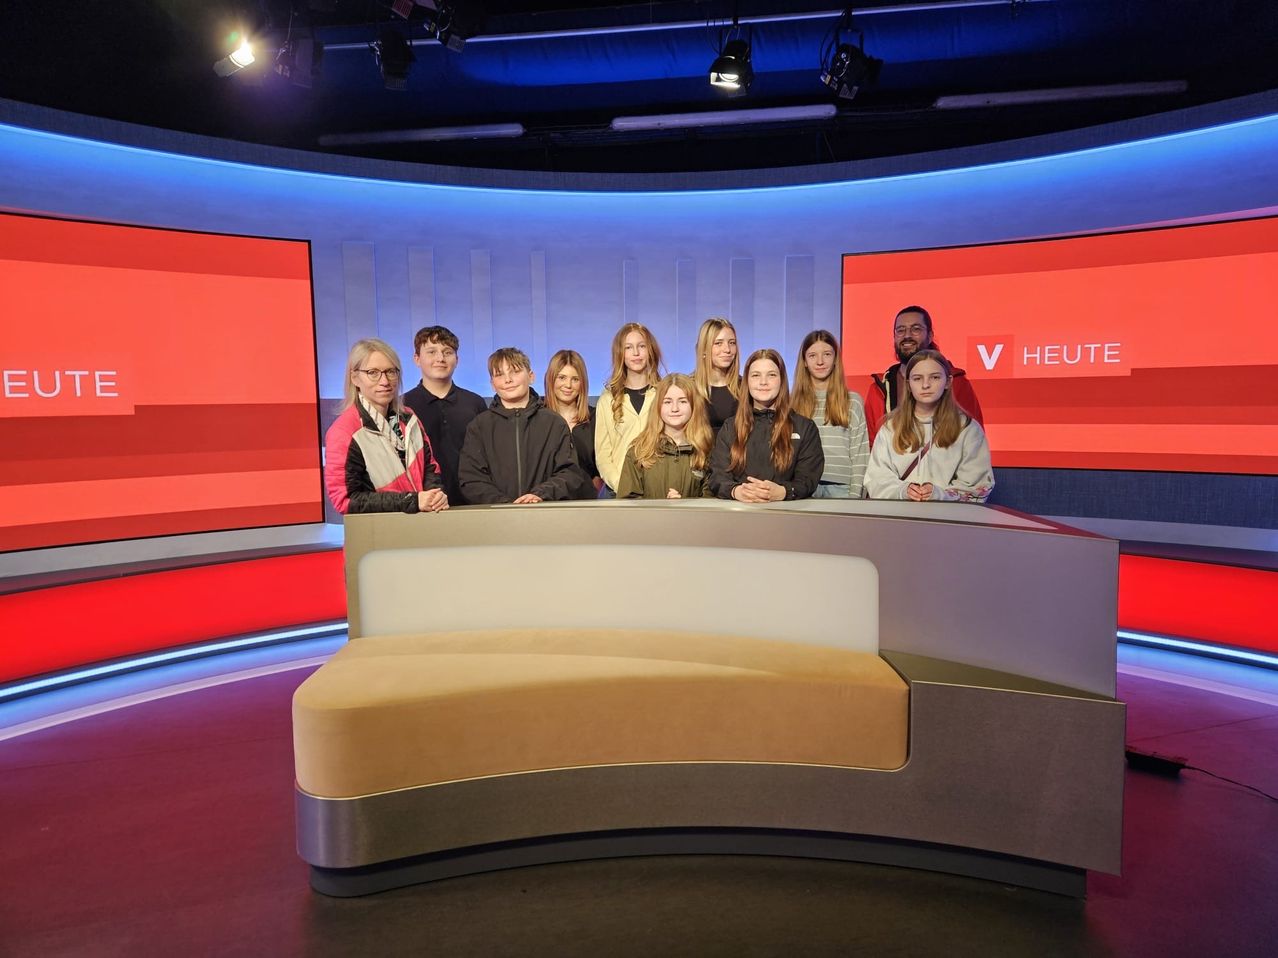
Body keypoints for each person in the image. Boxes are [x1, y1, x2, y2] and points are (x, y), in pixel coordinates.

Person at [324, 338, 448, 515]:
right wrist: (411, 501)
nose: (385, 381)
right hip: (379, 530)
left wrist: (435, 496)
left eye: (390, 372)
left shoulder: (409, 417)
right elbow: (345, 500)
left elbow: (430, 467)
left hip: (422, 526)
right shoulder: (344, 432)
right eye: (373, 373)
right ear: (355, 378)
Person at [458, 347, 586, 504]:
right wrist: (504, 504)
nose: (508, 380)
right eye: (499, 374)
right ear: (492, 384)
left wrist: (540, 495)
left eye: (515, 372)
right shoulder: (479, 426)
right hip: (495, 515)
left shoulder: (554, 423)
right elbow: (471, 478)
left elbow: (570, 473)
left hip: (545, 512)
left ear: (531, 376)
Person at [864, 349, 994, 502]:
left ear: (948, 382)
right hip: (900, 515)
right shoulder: (890, 428)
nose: (926, 385)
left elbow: (976, 486)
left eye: (935, 377)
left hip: (948, 516)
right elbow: (877, 478)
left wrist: (939, 495)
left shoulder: (968, 429)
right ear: (908, 384)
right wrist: (903, 491)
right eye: (917, 378)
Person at [709, 349, 824, 502]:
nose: (763, 382)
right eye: (756, 375)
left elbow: (808, 478)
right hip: (740, 511)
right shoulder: (730, 427)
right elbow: (717, 476)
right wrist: (737, 491)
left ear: (782, 380)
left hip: (787, 512)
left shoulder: (805, 427)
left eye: (771, 375)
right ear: (747, 382)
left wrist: (783, 492)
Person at [863, 306, 984, 444]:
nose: (907, 335)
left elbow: (973, 440)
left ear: (930, 336)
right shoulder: (878, 389)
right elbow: (871, 444)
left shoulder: (957, 383)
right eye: (901, 330)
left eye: (916, 329)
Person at [400, 326, 487, 505]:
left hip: (473, 502)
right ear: (417, 359)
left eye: (447, 352)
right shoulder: (402, 406)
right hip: (423, 503)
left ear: (457, 359)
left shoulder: (475, 403)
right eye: (431, 352)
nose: (440, 358)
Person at [791, 329, 870, 499]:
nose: (820, 361)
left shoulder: (852, 401)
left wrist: (855, 496)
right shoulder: (792, 404)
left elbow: (860, 455)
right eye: (812, 355)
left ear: (835, 359)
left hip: (842, 490)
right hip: (803, 488)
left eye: (827, 354)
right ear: (804, 361)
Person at [617, 373, 715, 499]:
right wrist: (662, 508)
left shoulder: (705, 451)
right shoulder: (639, 451)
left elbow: (710, 502)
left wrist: (686, 505)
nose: (675, 408)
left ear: (694, 406)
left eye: (682, 401)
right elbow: (627, 503)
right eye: (667, 402)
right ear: (658, 406)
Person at [595, 322, 664, 495]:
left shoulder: (664, 394)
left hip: (657, 489)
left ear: (650, 350)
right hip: (617, 491)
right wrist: (622, 485)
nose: (636, 353)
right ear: (620, 353)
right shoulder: (607, 399)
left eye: (641, 346)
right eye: (628, 347)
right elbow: (603, 456)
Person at [543, 349, 601, 498]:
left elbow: (602, 463)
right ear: (551, 379)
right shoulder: (539, 418)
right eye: (562, 377)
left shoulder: (595, 418)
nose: (568, 385)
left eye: (575, 379)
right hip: (548, 499)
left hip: (587, 500)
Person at [692, 317, 741, 434]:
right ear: (704, 349)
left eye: (732, 343)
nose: (727, 349)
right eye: (718, 343)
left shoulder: (745, 387)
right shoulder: (689, 387)